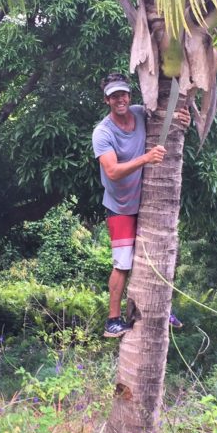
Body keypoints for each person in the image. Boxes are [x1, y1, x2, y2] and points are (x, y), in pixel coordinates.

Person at [92, 73, 189, 337]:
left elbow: (166, 120)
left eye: (123, 94)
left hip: (147, 200)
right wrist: (146, 158)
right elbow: (112, 171)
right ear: (107, 100)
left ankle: (160, 309)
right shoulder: (102, 132)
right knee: (122, 264)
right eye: (114, 96)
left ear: (129, 96)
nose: (119, 99)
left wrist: (182, 120)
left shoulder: (139, 113)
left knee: (157, 254)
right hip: (121, 206)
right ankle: (113, 320)